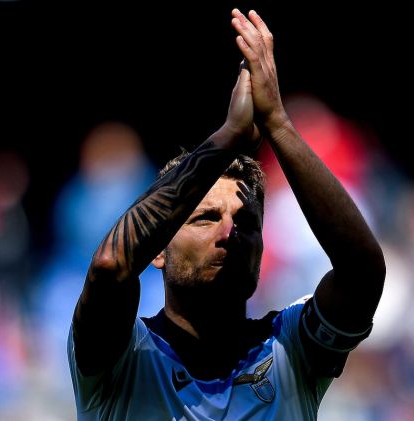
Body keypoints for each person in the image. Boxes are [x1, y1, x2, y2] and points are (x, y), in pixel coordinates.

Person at [68, 8, 385, 420]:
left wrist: (279, 124)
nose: (230, 231)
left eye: (247, 222)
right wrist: (230, 135)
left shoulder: (292, 350)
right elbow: (110, 267)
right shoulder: (120, 357)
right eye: (205, 218)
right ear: (157, 249)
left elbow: (363, 272)